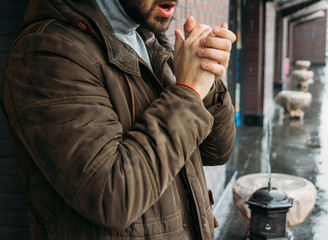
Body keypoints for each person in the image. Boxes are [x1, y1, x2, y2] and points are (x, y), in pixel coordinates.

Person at [1, 0, 236, 239]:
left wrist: (207, 77)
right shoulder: (47, 52)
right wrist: (189, 90)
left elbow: (216, 151)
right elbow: (111, 197)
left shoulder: (152, 40)